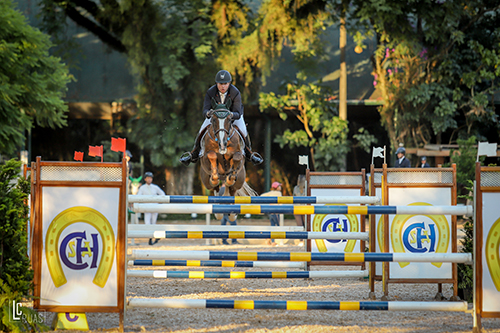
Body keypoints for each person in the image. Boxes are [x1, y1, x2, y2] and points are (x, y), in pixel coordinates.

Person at [179, 70, 263, 166]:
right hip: (215, 117)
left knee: (243, 130)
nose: (222, 87)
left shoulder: (235, 92)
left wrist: (231, 115)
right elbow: (205, 109)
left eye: (225, 84)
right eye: (220, 84)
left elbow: (238, 112)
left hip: (233, 116)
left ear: (229, 83)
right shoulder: (211, 92)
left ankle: (249, 154)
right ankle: (194, 154)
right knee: (201, 130)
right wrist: (208, 113)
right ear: (216, 83)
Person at [137, 171, 165, 245]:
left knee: (153, 222)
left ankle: (153, 236)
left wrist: (160, 201)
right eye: (148, 178)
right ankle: (150, 237)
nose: (149, 179)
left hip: (155, 207)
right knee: (147, 223)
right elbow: (138, 196)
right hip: (147, 207)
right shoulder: (142, 188)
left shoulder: (155, 187)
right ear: (145, 179)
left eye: (150, 178)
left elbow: (162, 194)